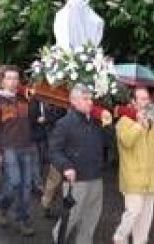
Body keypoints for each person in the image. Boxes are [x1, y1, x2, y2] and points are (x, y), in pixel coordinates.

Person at [113, 87, 154, 244]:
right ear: (133, 102)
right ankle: (120, 237)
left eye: (146, 98)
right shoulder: (124, 122)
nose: (145, 102)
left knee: (145, 221)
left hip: (151, 179)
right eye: (141, 99)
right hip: (133, 178)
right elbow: (127, 142)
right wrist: (139, 125)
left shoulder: (153, 122)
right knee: (133, 212)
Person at [49, 84, 111, 244]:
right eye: (85, 99)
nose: (90, 102)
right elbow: (54, 151)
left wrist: (108, 126)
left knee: (90, 222)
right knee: (70, 219)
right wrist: (66, 166)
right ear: (74, 101)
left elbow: (110, 143)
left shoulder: (97, 122)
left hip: (96, 178)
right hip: (76, 182)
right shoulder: (64, 123)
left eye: (91, 98)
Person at [0, 65, 36, 237]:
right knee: (14, 183)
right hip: (8, 148)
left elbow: (34, 119)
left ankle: (22, 219)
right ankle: (2, 205)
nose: (13, 81)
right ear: (2, 81)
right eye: (9, 78)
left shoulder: (25, 99)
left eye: (16, 78)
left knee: (26, 186)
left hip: (27, 147)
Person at [29, 97, 67, 217]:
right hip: (56, 138)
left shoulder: (63, 100)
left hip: (65, 138)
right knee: (55, 175)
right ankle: (46, 202)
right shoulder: (54, 98)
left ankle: (71, 208)